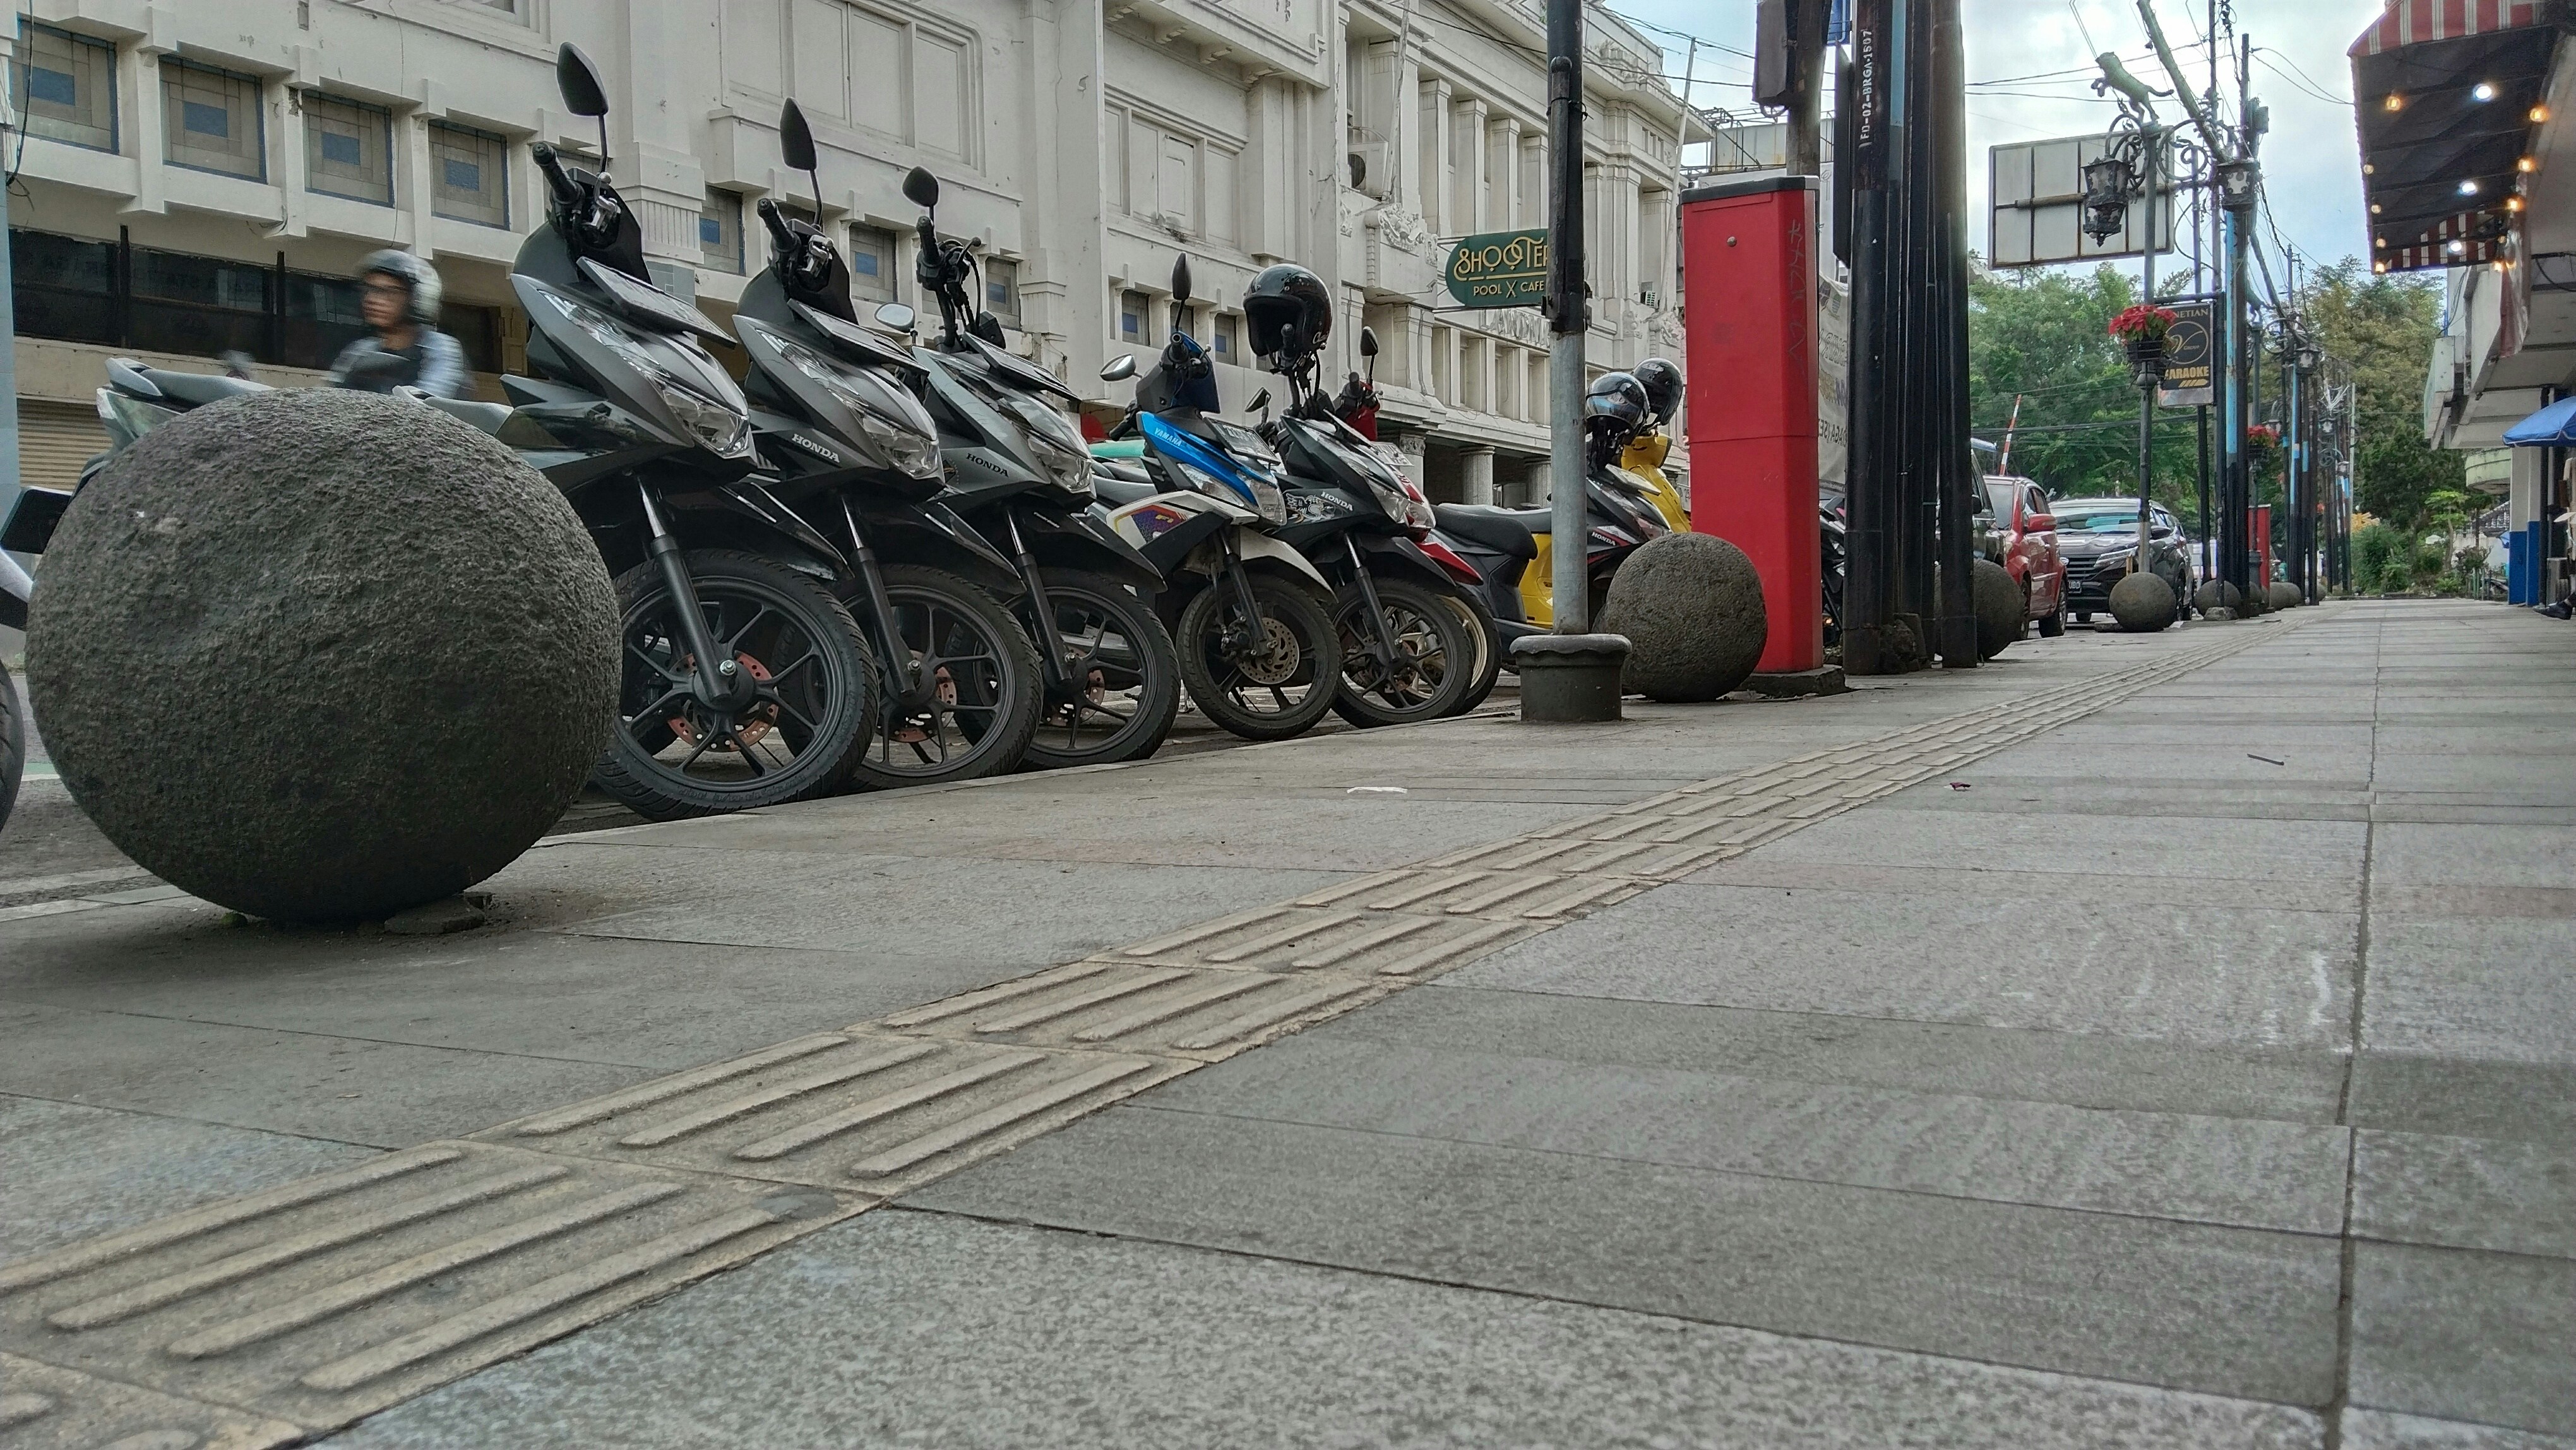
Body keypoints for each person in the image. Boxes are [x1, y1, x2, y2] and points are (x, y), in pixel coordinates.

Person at [328, 249, 468, 398]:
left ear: (417, 298)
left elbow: (427, 404)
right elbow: (331, 399)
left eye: (388, 291)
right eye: (368, 290)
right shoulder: (360, 352)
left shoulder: (441, 348)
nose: (372, 299)